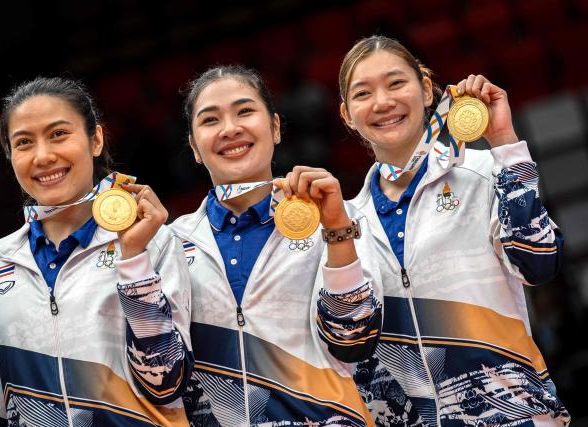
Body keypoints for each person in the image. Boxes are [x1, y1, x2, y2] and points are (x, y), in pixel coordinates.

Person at [337, 35, 570, 426]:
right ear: (347, 114)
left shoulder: (482, 172)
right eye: (363, 93)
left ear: (427, 89)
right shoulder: (344, 227)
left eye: (396, 83)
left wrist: (503, 143)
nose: (382, 102)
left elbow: (539, 262)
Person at [0, 77, 193, 426]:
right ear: (10, 155)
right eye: (24, 142)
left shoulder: (154, 242)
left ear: (96, 139)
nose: (43, 156)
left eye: (59, 134)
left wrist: (134, 260)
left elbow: (167, 384)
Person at [171, 65, 383, 426]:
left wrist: (335, 230)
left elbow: (355, 342)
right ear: (193, 147)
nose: (230, 129)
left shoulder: (338, 219)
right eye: (210, 120)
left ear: (275, 127)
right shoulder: (172, 243)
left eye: (244, 111)